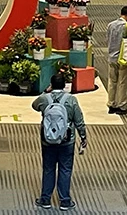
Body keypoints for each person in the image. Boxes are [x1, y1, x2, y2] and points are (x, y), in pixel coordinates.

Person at [32, 74, 87, 211]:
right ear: (64, 85)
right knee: (65, 169)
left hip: (47, 140)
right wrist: (83, 137)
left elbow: (34, 105)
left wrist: (45, 91)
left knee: (48, 168)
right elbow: (79, 120)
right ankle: (65, 201)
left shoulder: (45, 99)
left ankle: (45, 199)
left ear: (51, 85)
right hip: (67, 140)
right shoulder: (71, 100)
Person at [105, 7, 127, 116]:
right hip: (124, 58)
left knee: (112, 82)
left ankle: (111, 104)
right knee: (122, 82)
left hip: (112, 57)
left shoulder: (110, 25)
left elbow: (107, 39)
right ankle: (121, 105)